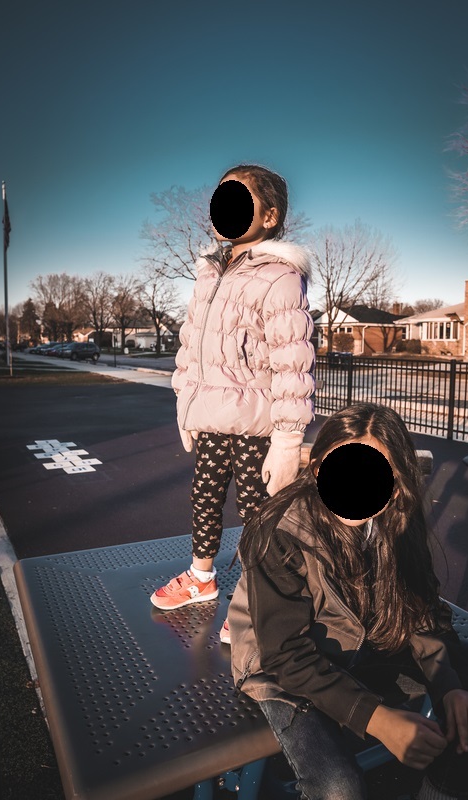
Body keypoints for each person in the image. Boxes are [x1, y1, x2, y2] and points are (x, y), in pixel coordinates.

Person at [228, 403, 468, 800]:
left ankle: (440, 791)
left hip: (364, 644)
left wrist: (450, 686)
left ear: (395, 481)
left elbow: (421, 612)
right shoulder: (280, 531)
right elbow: (286, 655)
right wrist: (376, 718)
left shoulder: (396, 519)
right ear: (317, 471)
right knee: (338, 788)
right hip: (284, 672)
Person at [150, 164, 315, 638]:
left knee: (256, 514)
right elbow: (191, 345)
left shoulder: (280, 275)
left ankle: (255, 597)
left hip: (256, 421)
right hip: (210, 415)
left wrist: (287, 439)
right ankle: (202, 578)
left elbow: (292, 360)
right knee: (203, 498)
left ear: (269, 216)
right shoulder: (210, 272)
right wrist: (185, 404)